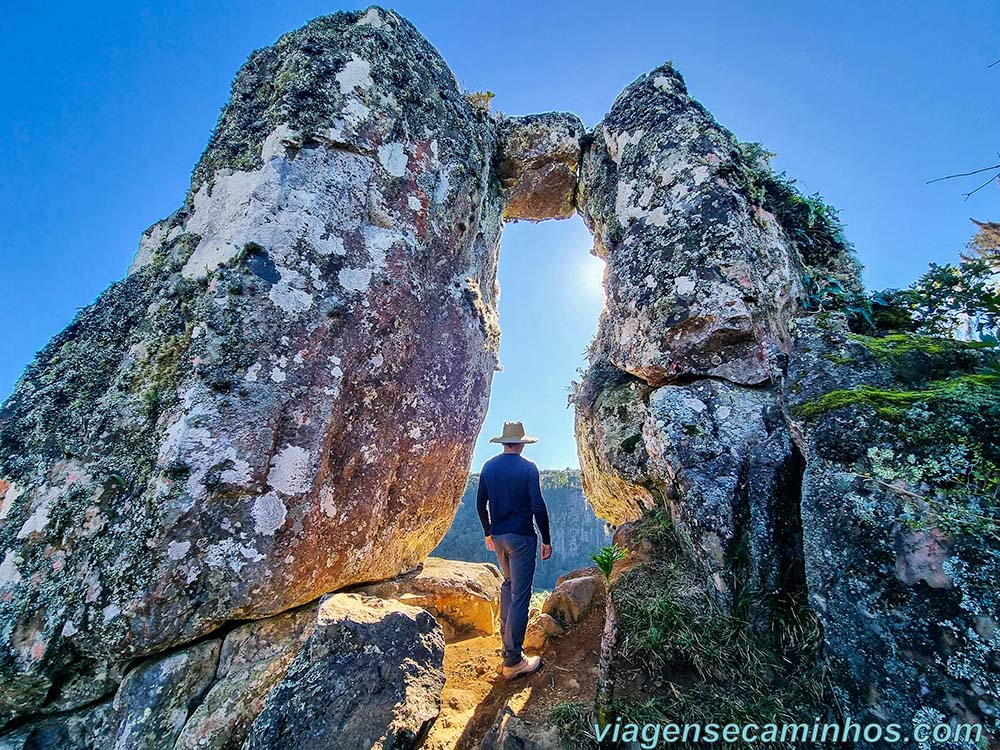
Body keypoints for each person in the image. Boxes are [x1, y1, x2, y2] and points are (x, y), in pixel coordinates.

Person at [477, 420, 552, 679]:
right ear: (520, 444)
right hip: (522, 538)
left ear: (503, 442)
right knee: (521, 595)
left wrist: (488, 532)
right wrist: (546, 539)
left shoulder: (488, 467)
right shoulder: (528, 469)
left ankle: (506, 647)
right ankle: (514, 660)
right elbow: (538, 506)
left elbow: (480, 504)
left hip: (499, 537)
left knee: (508, 586)